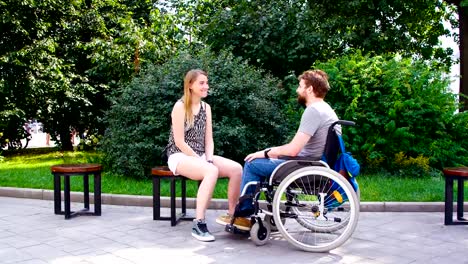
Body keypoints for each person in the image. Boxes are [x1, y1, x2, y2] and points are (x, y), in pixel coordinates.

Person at [222, 69, 340, 228]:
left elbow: (293, 150)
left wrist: (264, 152)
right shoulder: (327, 109)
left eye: (300, 86)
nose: (297, 90)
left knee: (252, 164)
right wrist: (272, 152)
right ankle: (265, 212)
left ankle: (244, 215)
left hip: (304, 165)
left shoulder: (313, 111)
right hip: (312, 163)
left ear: (310, 89)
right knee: (266, 158)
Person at [165, 69, 244, 242]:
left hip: (200, 155)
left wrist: (208, 159)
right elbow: (179, 141)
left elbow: (209, 140)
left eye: (207, 82)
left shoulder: (206, 108)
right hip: (179, 156)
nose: (206, 86)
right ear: (190, 85)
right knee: (211, 171)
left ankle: (233, 216)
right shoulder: (180, 106)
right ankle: (198, 223)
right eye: (201, 83)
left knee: (236, 169)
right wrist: (202, 161)